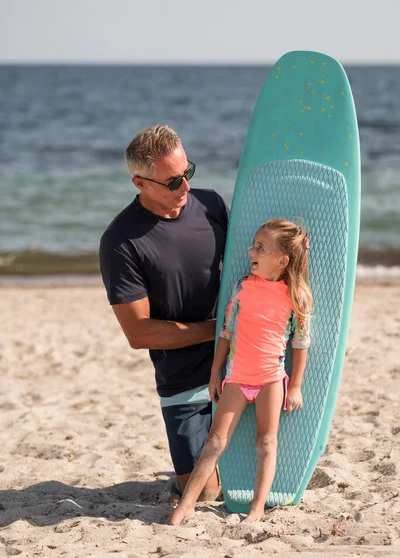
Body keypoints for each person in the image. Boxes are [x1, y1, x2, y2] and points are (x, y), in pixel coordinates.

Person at [99, 125, 229, 501]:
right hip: (183, 379)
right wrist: (217, 330)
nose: (185, 188)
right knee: (202, 493)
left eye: (188, 173)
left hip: (239, 365)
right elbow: (139, 333)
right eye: (173, 182)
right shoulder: (121, 242)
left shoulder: (212, 205)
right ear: (140, 183)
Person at [168, 218, 312, 526]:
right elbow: (226, 333)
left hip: (271, 379)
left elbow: (301, 344)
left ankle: (257, 507)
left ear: (282, 260)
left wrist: (296, 386)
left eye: (260, 247)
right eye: (253, 245)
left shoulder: (295, 296)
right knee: (215, 442)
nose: (250, 251)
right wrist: (214, 373)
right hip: (236, 377)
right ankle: (186, 505)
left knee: (266, 443)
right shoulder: (242, 287)